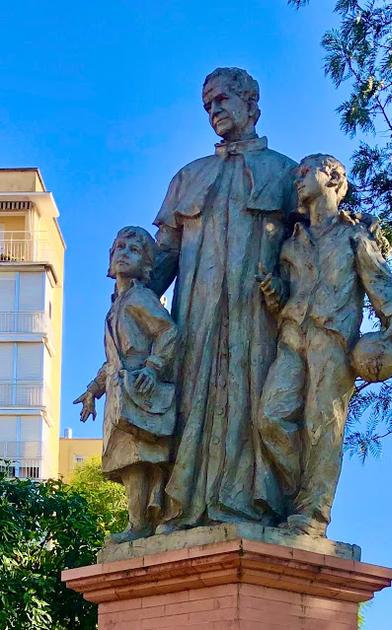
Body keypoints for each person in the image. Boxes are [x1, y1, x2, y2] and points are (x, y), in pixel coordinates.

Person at [151, 67, 297, 529]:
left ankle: (256, 505)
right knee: (191, 403)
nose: (214, 110)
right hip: (195, 319)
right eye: (207, 104)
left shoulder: (287, 172)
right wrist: (130, 301)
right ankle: (182, 507)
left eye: (222, 100)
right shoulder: (188, 177)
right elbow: (164, 255)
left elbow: (309, 252)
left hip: (260, 318)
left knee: (255, 405)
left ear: (251, 103)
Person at [257, 154, 392, 536]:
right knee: (271, 417)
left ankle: (313, 515)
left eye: (308, 171)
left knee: (322, 426)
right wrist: (275, 296)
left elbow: (381, 285)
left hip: (333, 340)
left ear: (334, 178)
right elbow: (285, 295)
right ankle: (296, 497)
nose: (299, 179)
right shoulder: (292, 242)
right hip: (292, 335)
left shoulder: (355, 235)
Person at [74, 226, 177, 542]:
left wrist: (153, 367)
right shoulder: (115, 305)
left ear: (147, 264)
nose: (123, 253)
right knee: (129, 461)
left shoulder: (140, 298)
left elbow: (168, 332)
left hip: (140, 392)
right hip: (121, 395)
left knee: (141, 458)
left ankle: (141, 524)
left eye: (133, 249)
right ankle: (138, 523)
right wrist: (94, 389)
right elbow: (112, 360)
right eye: (119, 247)